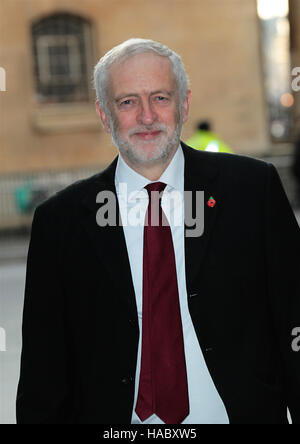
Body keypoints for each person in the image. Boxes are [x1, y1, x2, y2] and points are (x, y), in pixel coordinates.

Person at [16, 38, 300, 424]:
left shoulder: (253, 191)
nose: (147, 117)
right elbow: (42, 373)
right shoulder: (60, 223)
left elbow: (293, 318)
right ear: (104, 114)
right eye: (128, 102)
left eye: (161, 98)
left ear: (183, 104)